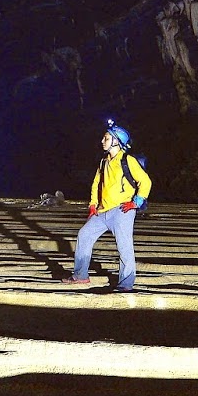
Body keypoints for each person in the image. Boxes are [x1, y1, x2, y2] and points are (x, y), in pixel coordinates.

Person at [63, 119, 151, 292]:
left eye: (106, 138)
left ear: (117, 141)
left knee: (124, 247)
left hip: (121, 210)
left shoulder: (128, 160)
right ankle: (81, 275)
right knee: (84, 235)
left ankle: (126, 284)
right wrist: (93, 205)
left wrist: (136, 202)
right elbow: (96, 184)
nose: (102, 141)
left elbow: (145, 182)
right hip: (102, 211)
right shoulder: (103, 162)